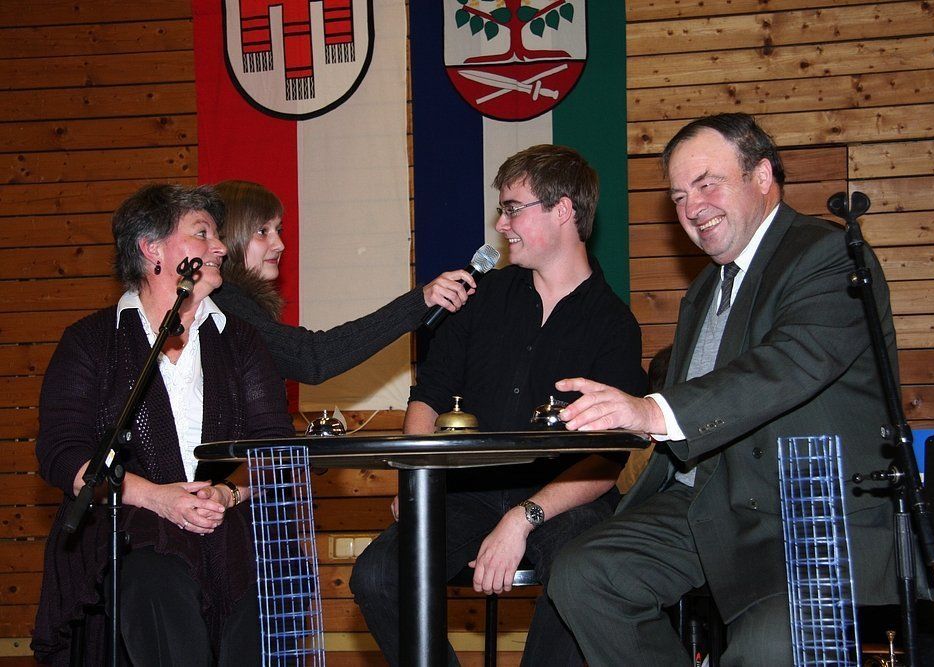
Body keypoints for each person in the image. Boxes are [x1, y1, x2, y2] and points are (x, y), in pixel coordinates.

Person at [548, 113, 920, 665]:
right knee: (584, 574)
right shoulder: (704, 288)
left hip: (806, 515)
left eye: (707, 184)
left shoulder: (830, 254)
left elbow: (790, 363)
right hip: (709, 501)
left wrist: (652, 411)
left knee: (769, 647)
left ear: (762, 176)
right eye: (679, 197)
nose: (692, 207)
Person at [349, 144, 647, 666]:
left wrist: (522, 518)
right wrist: (416, 481)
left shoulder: (614, 325)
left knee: (578, 576)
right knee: (377, 575)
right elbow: (429, 395)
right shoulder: (481, 296)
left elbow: (605, 461)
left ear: (563, 210)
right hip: (468, 491)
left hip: (565, 498)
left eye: (513, 208)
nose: (501, 224)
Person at [31, 184, 294, 665]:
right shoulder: (91, 341)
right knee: (153, 582)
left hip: (230, 523)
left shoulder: (242, 341)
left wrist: (226, 494)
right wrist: (158, 498)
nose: (220, 248)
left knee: (259, 587)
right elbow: (63, 453)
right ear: (152, 249)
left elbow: (274, 448)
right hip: (129, 528)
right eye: (202, 234)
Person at [211, 180, 476, 384]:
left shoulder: (236, 304)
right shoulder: (226, 305)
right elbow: (312, 358)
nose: (279, 244)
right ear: (229, 236)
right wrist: (418, 301)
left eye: (278, 230)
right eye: (262, 231)